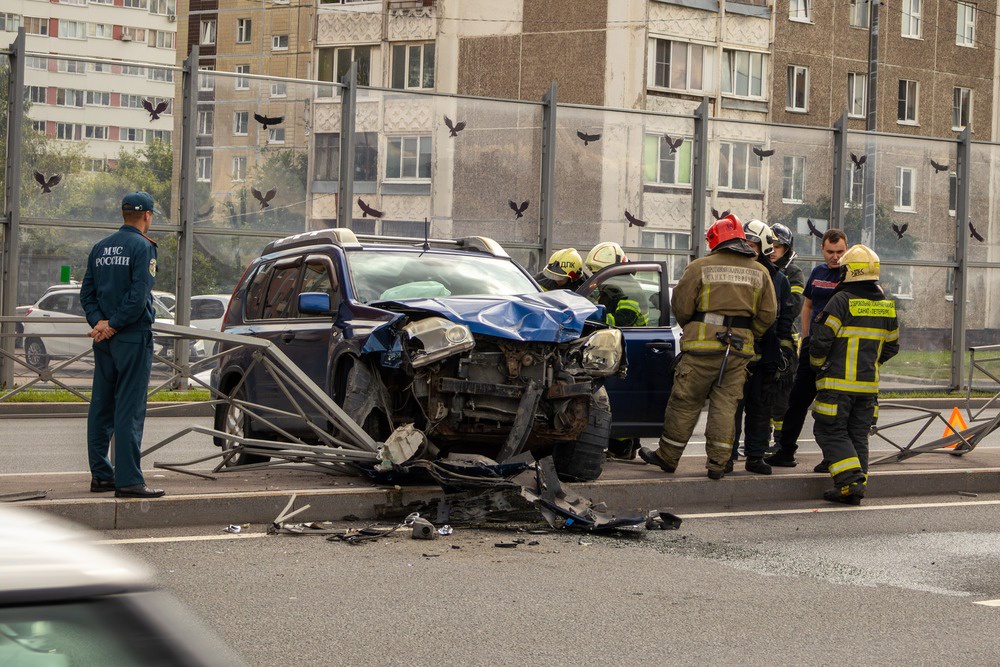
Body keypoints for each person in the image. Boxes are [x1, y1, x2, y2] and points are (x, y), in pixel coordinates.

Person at [638, 214, 776, 479]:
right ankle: (718, 464)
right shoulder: (761, 272)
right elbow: (768, 314)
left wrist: (696, 326)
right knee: (725, 406)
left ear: (715, 241)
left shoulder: (699, 267)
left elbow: (681, 306)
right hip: (738, 352)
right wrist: (748, 333)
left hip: (701, 350)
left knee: (685, 403)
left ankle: (668, 457)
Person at [80, 191, 166, 499]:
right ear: (147, 216)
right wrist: (114, 324)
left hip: (104, 339)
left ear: (123, 214)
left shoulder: (100, 247)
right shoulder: (144, 247)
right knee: (130, 407)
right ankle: (128, 480)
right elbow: (139, 295)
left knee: (101, 406)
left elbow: (87, 294)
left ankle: (102, 475)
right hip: (131, 336)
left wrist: (100, 323)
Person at [810, 244, 899, 505]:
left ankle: (849, 482)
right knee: (857, 435)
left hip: (837, 384)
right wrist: (870, 364)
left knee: (830, 431)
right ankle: (857, 484)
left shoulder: (841, 300)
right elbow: (891, 346)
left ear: (848, 271)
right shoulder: (887, 307)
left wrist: (818, 365)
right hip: (868, 388)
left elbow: (821, 340)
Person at [765, 228, 848, 471]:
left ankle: (831, 457)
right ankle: (786, 451)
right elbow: (808, 305)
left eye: (840, 252)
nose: (835, 257)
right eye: (830, 251)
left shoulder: (850, 275)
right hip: (813, 346)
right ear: (822, 249)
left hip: (837, 351)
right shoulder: (818, 273)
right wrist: (807, 337)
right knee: (797, 400)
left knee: (830, 407)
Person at [729, 219, 794, 475]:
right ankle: (725, 457)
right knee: (730, 409)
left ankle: (755, 457)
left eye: (752, 244)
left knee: (760, 408)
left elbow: (784, 320)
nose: (747, 247)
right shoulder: (733, 273)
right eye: (744, 242)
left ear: (763, 246)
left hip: (764, 356)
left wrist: (784, 353)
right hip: (735, 355)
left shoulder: (779, 279)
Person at [767, 223, 805, 452]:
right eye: (770, 245)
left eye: (778, 246)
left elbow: (795, 306)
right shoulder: (759, 267)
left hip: (784, 339)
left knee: (782, 394)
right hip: (762, 336)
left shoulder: (793, 273)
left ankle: (781, 443)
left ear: (786, 249)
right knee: (761, 394)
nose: (773, 250)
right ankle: (760, 440)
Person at [583, 241, 649, 327]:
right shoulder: (613, 286)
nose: (599, 279)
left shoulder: (629, 289)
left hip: (630, 335)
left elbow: (622, 321)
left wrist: (592, 318)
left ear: (614, 272)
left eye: (602, 274)